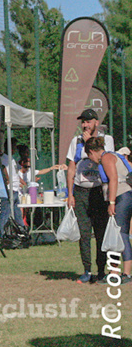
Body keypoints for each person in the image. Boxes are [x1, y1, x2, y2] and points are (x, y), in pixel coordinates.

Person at [66, 108, 114, 284]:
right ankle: (87, 270)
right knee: (84, 233)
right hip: (81, 191)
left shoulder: (106, 140)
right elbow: (71, 167)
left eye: (87, 121)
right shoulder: (75, 141)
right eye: (82, 122)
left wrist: (91, 143)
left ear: (96, 122)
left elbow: (107, 160)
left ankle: (101, 270)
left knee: (101, 232)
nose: (84, 125)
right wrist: (70, 193)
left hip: (98, 191)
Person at [84, 137, 132, 284]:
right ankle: (114, 272)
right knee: (116, 234)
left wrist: (111, 202)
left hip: (121, 196)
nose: (91, 160)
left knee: (121, 234)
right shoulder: (113, 155)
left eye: (89, 156)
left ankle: (127, 273)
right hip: (123, 196)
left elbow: (113, 179)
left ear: (92, 151)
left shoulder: (106, 158)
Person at [0, 138, 24, 237]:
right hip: (9, 188)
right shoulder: (4, 157)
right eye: (13, 147)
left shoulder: (12, 159)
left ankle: (21, 231)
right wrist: (7, 179)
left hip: (15, 188)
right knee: (6, 212)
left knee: (17, 212)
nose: (15, 150)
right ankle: (2, 234)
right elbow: (3, 168)